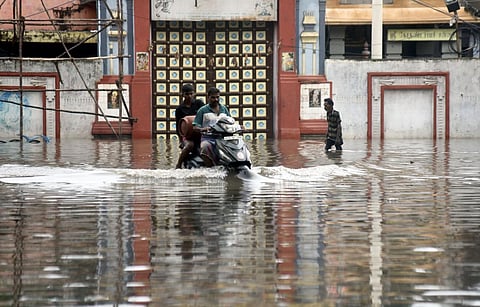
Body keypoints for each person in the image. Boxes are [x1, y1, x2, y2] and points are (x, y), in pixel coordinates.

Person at [192, 87, 231, 167]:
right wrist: (203, 129)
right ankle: (210, 168)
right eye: (213, 97)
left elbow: (230, 122)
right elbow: (195, 127)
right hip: (208, 138)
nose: (216, 99)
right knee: (204, 147)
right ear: (208, 97)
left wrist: (239, 127)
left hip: (222, 138)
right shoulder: (202, 110)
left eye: (217, 97)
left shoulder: (224, 109)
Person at [175, 83, 205, 169]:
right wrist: (181, 141)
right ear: (183, 95)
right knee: (189, 145)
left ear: (194, 94)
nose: (189, 96)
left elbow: (206, 116)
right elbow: (178, 126)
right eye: (187, 94)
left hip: (201, 133)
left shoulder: (199, 104)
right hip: (188, 136)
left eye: (191, 93)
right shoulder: (179, 109)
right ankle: (178, 165)